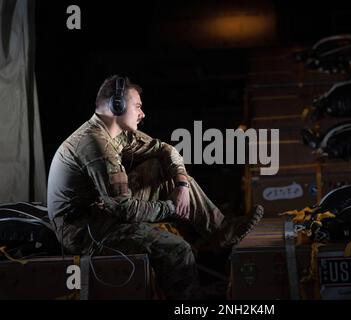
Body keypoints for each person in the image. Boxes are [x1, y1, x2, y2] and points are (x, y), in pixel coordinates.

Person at [47, 75, 264, 299]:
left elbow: (165, 150)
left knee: (171, 176)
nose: (142, 114)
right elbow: (124, 209)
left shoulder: (114, 134)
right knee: (178, 250)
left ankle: (221, 230)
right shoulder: (96, 145)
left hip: (104, 210)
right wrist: (170, 207)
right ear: (117, 105)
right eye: (138, 107)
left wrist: (180, 184)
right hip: (86, 231)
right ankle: (190, 302)